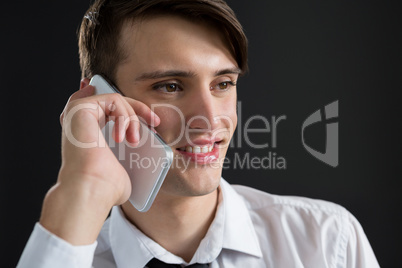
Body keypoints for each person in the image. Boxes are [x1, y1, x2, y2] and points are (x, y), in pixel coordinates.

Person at [17, 0, 380, 267]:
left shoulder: (330, 243)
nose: (209, 119)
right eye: (170, 86)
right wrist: (84, 189)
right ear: (99, 98)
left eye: (223, 83)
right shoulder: (68, 253)